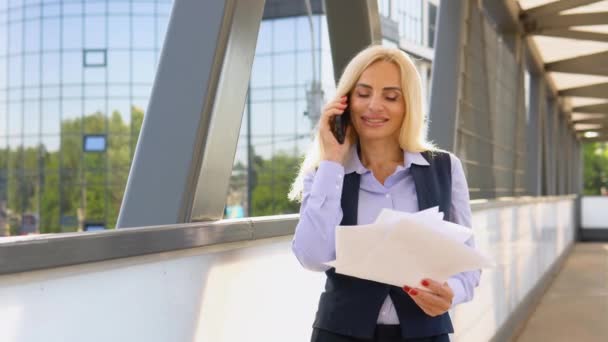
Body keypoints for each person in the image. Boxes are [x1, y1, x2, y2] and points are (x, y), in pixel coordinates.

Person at [288, 45, 481, 342]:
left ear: (409, 105)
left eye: (391, 96)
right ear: (345, 101)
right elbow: (313, 257)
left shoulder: (445, 168)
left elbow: (467, 264)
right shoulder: (325, 172)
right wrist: (331, 162)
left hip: (425, 333)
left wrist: (451, 292)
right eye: (363, 94)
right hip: (339, 334)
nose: (374, 106)